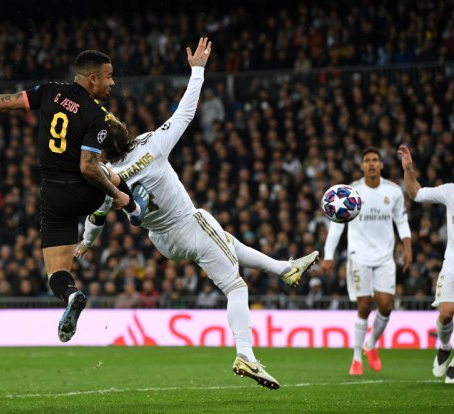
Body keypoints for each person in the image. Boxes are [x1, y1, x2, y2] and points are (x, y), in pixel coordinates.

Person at [75, 37, 319, 390]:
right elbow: (186, 113)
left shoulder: (108, 178)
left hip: (163, 241)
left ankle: (285, 269)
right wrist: (198, 71)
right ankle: (246, 355)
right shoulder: (152, 145)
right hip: (188, 224)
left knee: (226, 241)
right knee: (235, 285)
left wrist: (86, 243)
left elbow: (97, 217)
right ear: (125, 133)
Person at [0, 49, 147, 342]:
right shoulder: (97, 116)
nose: (113, 83)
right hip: (84, 192)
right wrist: (116, 194)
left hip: (53, 194)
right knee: (107, 173)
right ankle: (133, 206)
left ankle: (71, 295)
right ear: (93, 78)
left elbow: (4, 102)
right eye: (109, 77)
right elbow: (87, 167)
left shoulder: (49, 92)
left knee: (56, 273)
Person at [321, 147, 412, 376]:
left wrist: (408, 248)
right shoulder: (352, 193)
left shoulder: (393, 191)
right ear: (362, 166)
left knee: (386, 306)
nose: (371, 163)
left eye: (375, 160)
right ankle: (355, 359)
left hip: (385, 257)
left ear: (381, 165)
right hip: (359, 256)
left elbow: (401, 221)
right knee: (363, 305)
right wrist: (329, 255)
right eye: (367, 160)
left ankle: (370, 345)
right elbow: (336, 225)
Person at [398, 144, 454, 384]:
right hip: (452, 264)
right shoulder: (450, 191)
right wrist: (408, 170)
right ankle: (444, 347)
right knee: (446, 313)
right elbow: (416, 194)